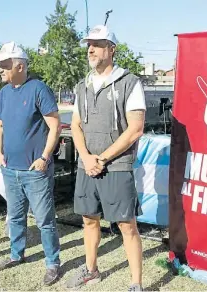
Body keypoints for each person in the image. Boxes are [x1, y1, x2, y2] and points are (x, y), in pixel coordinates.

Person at [66, 25, 146, 292]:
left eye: (98, 44)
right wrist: (87, 158)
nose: (91, 49)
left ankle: (136, 284)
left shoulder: (129, 82)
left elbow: (135, 128)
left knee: (126, 224)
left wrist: (102, 158)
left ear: (112, 49)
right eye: (89, 44)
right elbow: (75, 125)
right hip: (86, 166)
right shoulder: (82, 86)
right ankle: (91, 271)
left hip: (117, 166)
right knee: (89, 219)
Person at [0, 41, 61, 286]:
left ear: (19, 65)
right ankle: (15, 254)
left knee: (44, 220)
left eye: (4, 65)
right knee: (15, 215)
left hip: (35, 171)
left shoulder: (39, 89)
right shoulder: (4, 92)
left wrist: (44, 158)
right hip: (10, 169)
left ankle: (53, 263)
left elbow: (55, 126)